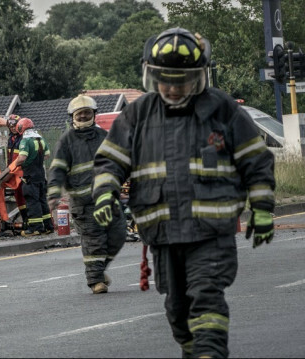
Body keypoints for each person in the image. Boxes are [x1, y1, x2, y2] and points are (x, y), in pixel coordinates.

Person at [91, 28, 275, 358]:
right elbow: (110, 160)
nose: (173, 88)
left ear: (199, 77)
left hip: (211, 234)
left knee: (206, 299)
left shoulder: (222, 110)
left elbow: (256, 160)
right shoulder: (138, 114)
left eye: (182, 80)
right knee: (177, 312)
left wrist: (262, 208)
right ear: (152, 76)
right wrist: (105, 192)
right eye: (165, 80)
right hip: (162, 235)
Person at [47, 95, 126, 294]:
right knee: (94, 240)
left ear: (94, 114)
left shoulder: (103, 136)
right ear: (72, 116)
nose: (83, 116)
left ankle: (98, 270)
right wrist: (54, 193)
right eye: (79, 113)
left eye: (87, 113)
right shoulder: (66, 141)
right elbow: (57, 169)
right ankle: (95, 280)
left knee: (118, 234)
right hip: (83, 203)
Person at [11, 117, 54, 236]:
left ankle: (35, 228)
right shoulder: (40, 138)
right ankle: (48, 226)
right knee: (42, 201)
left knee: (32, 202)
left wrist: (15, 164)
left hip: (30, 176)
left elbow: (22, 158)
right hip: (41, 175)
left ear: (21, 128)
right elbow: (47, 155)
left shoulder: (25, 140)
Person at [6, 115, 28, 225]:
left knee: (26, 195)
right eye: (10, 126)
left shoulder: (23, 138)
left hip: (22, 172)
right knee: (18, 196)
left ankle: (31, 220)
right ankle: (25, 220)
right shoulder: (11, 139)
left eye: (14, 126)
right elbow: (9, 157)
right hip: (13, 172)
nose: (13, 128)